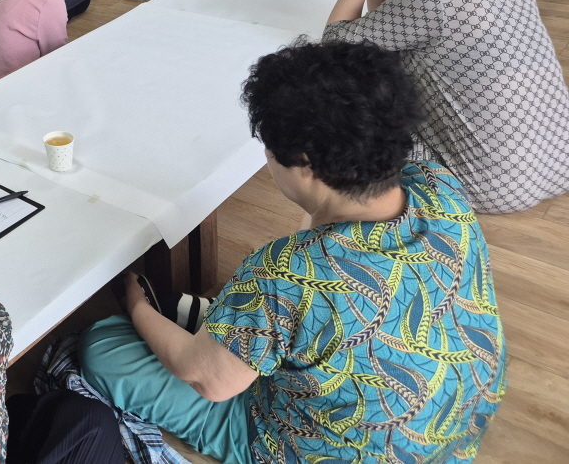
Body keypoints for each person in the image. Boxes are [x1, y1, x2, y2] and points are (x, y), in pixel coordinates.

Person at [79, 40, 505, 464]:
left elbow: (211, 382)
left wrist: (135, 304)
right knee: (268, 322)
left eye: (268, 150)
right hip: (452, 428)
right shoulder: (437, 184)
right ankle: (239, 334)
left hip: (323, 451)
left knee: (102, 345)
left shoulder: (283, 273)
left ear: (304, 163)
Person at [324, 0, 569, 213]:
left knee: (349, 90)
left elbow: (335, 48)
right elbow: (394, 31)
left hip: (485, 188)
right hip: (558, 162)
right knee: (399, 58)